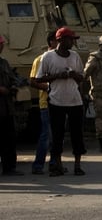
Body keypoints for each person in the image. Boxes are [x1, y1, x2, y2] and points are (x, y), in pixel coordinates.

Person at [36, 27, 87, 176]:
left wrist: (73, 75)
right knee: (57, 135)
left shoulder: (75, 56)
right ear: (60, 40)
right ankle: (57, 165)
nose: (72, 42)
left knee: (77, 134)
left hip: (75, 101)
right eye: (70, 39)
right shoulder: (48, 57)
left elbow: (81, 77)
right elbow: (39, 78)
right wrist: (58, 75)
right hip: (56, 101)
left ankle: (77, 165)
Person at [29, 30, 59, 175]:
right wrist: (49, 88)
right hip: (46, 103)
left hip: (61, 103)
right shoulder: (41, 59)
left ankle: (54, 164)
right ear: (51, 42)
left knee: (57, 137)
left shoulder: (64, 58)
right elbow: (33, 81)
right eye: (58, 40)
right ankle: (38, 165)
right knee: (46, 136)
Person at [0, 34, 24, 176]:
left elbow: (11, 78)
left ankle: (9, 167)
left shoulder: (3, 63)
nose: (2, 46)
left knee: (9, 138)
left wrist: (14, 85)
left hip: (6, 107)